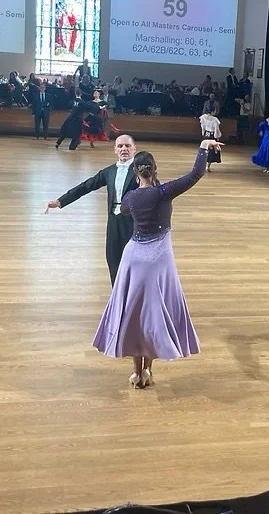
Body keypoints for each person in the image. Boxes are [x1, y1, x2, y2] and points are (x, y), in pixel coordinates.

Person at [92, 139, 221, 388]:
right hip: (159, 261)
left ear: (135, 172)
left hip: (134, 259)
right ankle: (149, 371)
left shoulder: (130, 198)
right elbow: (196, 174)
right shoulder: (164, 192)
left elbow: (124, 211)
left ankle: (136, 372)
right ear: (154, 168)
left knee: (134, 316)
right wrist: (203, 146)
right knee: (154, 316)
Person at [46, 135, 139, 283]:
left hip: (134, 223)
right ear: (115, 149)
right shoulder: (109, 172)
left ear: (134, 149)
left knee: (135, 262)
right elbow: (86, 186)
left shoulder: (140, 171)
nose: (124, 149)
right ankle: (116, 295)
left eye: (127, 146)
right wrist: (60, 201)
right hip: (113, 222)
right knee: (113, 259)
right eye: (120, 146)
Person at [199, 107, 222, 172]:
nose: (215, 112)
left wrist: (203, 133)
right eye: (214, 111)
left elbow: (202, 126)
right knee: (211, 151)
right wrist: (217, 136)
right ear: (212, 112)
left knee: (205, 149)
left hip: (206, 134)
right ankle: (208, 166)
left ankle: (204, 165)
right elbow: (216, 129)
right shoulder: (215, 119)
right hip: (212, 135)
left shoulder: (203, 117)